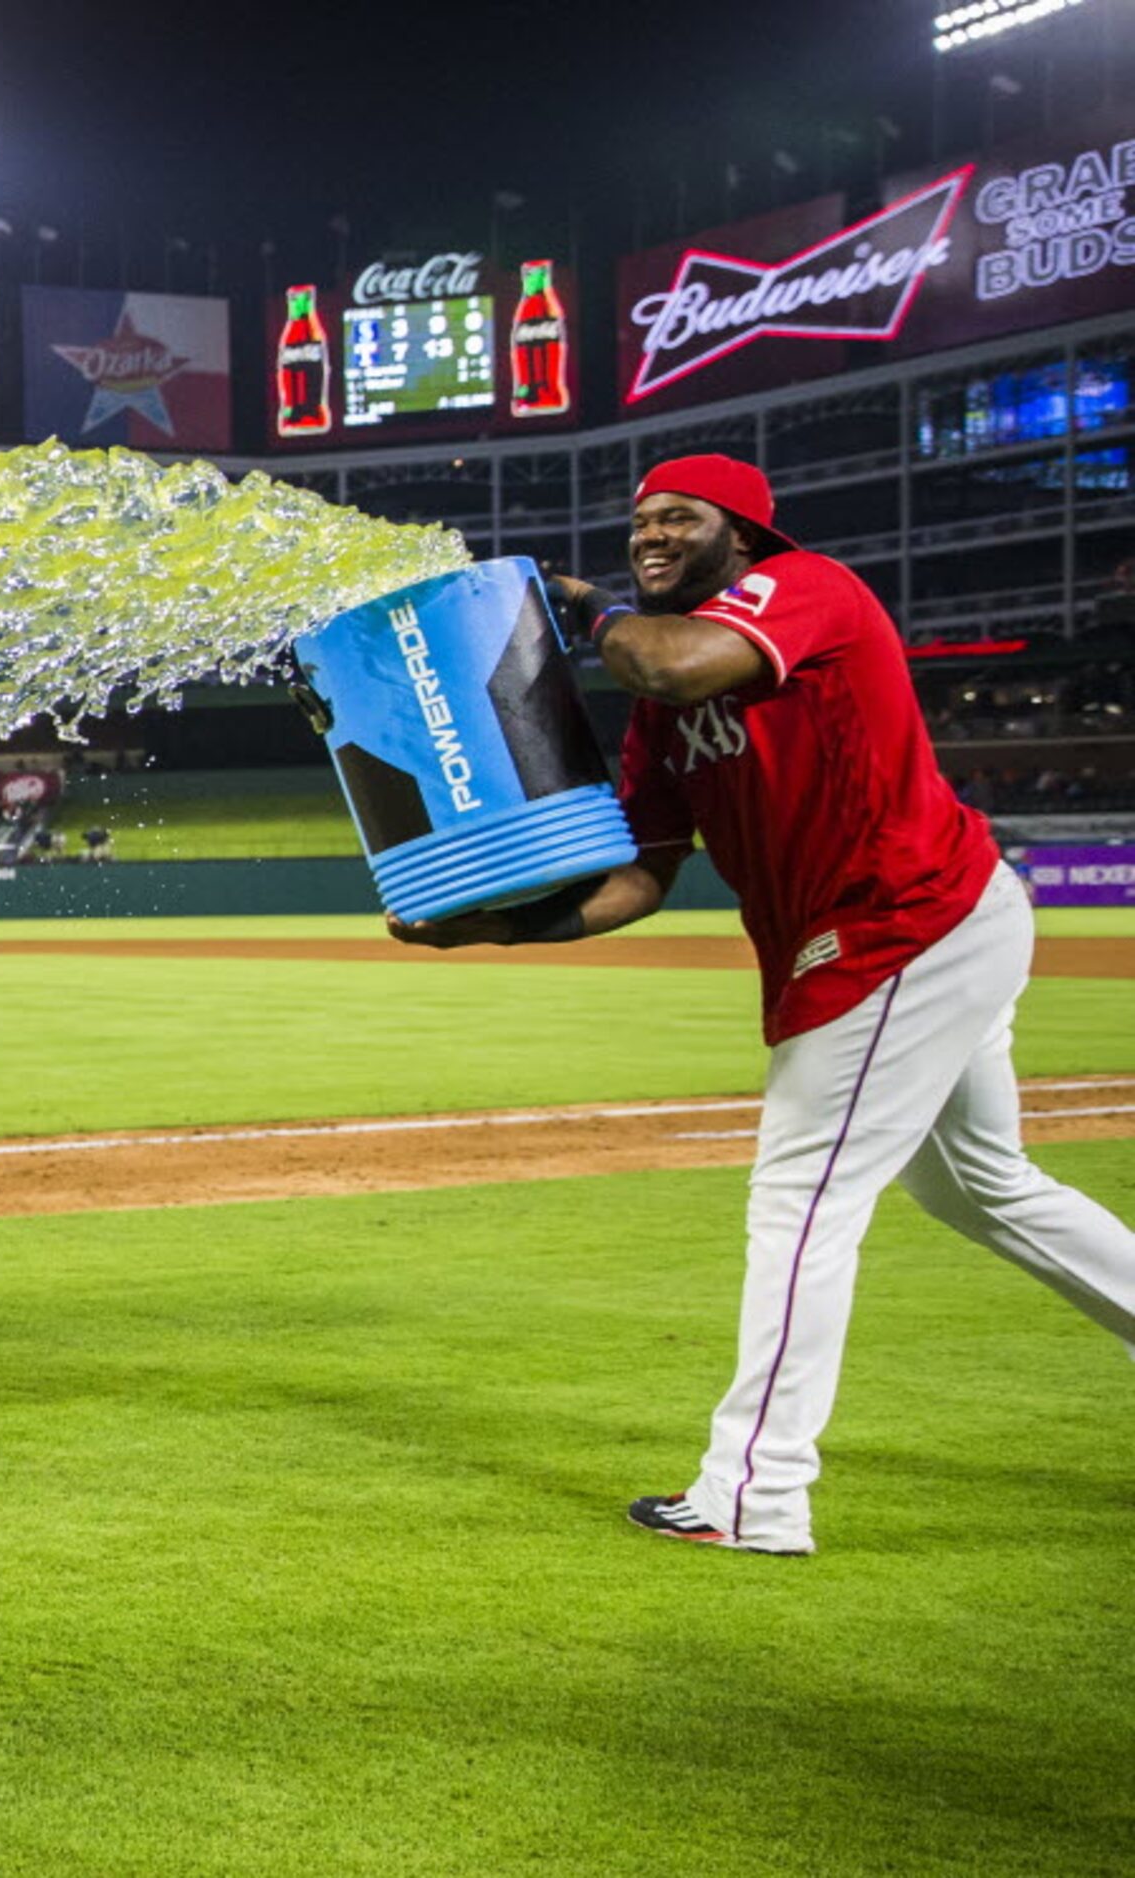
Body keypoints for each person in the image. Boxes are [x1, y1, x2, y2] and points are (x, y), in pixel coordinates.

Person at [392, 453, 1135, 1556]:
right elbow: (639, 877)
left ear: (737, 533)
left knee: (798, 1201)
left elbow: (680, 664)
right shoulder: (652, 715)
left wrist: (589, 615)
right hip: (911, 928)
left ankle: (755, 1494)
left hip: (901, 924)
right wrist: (491, 925)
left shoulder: (802, 590)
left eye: (676, 519)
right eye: (637, 519)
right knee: (981, 1188)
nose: (648, 534)